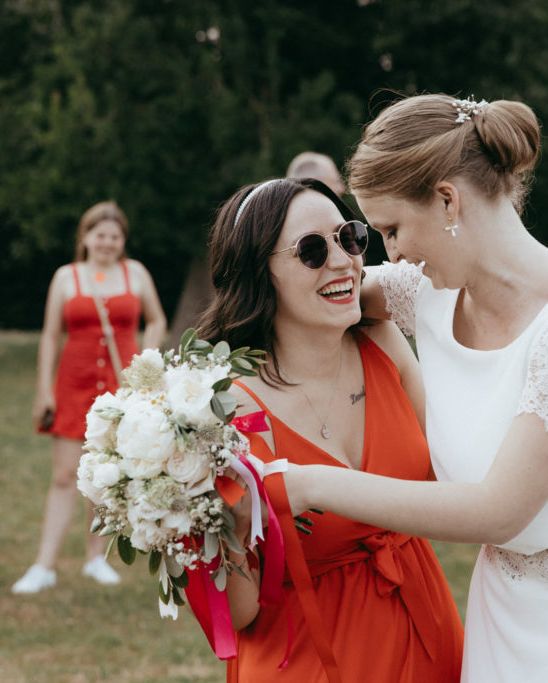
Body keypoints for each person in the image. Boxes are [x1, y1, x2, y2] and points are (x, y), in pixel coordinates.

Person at [284, 95, 548, 681]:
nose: (390, 253)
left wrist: (308, 484)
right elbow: (321, 292)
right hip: (503, 611)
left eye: (393, 229)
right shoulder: (428, 291)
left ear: (448, 199)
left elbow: (499, 510)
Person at [189, 178, 463, 682]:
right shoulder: (223, 408)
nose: (343, 261)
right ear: (257, 271)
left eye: (350, 237)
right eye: (312, 250)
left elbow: (457, 476)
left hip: (429, 634)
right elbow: (240, 612)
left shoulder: (379, 340)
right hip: (312, 657)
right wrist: (193, 514)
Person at [12, 201, 167, 593]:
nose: (107, 243)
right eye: (100, 235)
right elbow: (50, 335)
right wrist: (44, 389)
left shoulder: (136, 274)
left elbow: (157, 318)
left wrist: (149, 357)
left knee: (107, 475)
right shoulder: (66, 277)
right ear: (85, 237)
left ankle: (95, 557)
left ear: (122, 241)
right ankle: (44, 565)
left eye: (115, 236)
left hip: (121, 387)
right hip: (74, 384)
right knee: (65, 475)